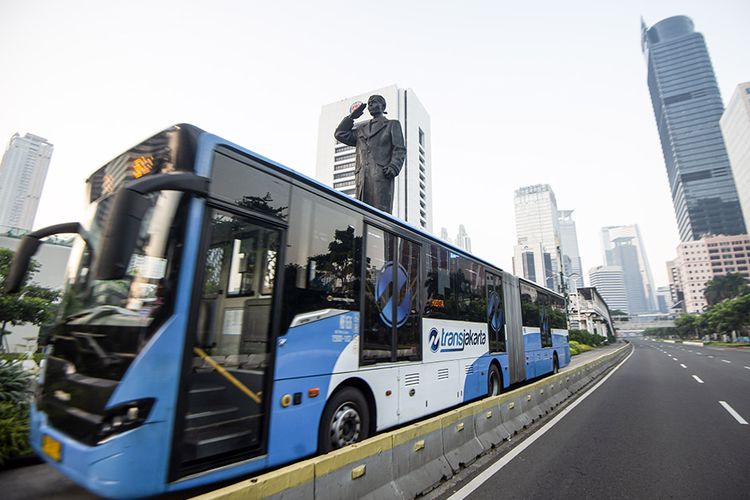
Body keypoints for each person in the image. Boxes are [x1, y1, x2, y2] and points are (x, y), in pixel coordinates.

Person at [334, 95, 406, 214]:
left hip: (381, 174)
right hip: (362, 176)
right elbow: (339, 134)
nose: (371, 105)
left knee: (380, 214)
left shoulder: (392, 124)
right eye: (369, 103)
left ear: (383, 106)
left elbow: (400, 149)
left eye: (374, 102)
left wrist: (394, 166)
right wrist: (351, 117)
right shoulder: (361, 129)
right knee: (361, 215)